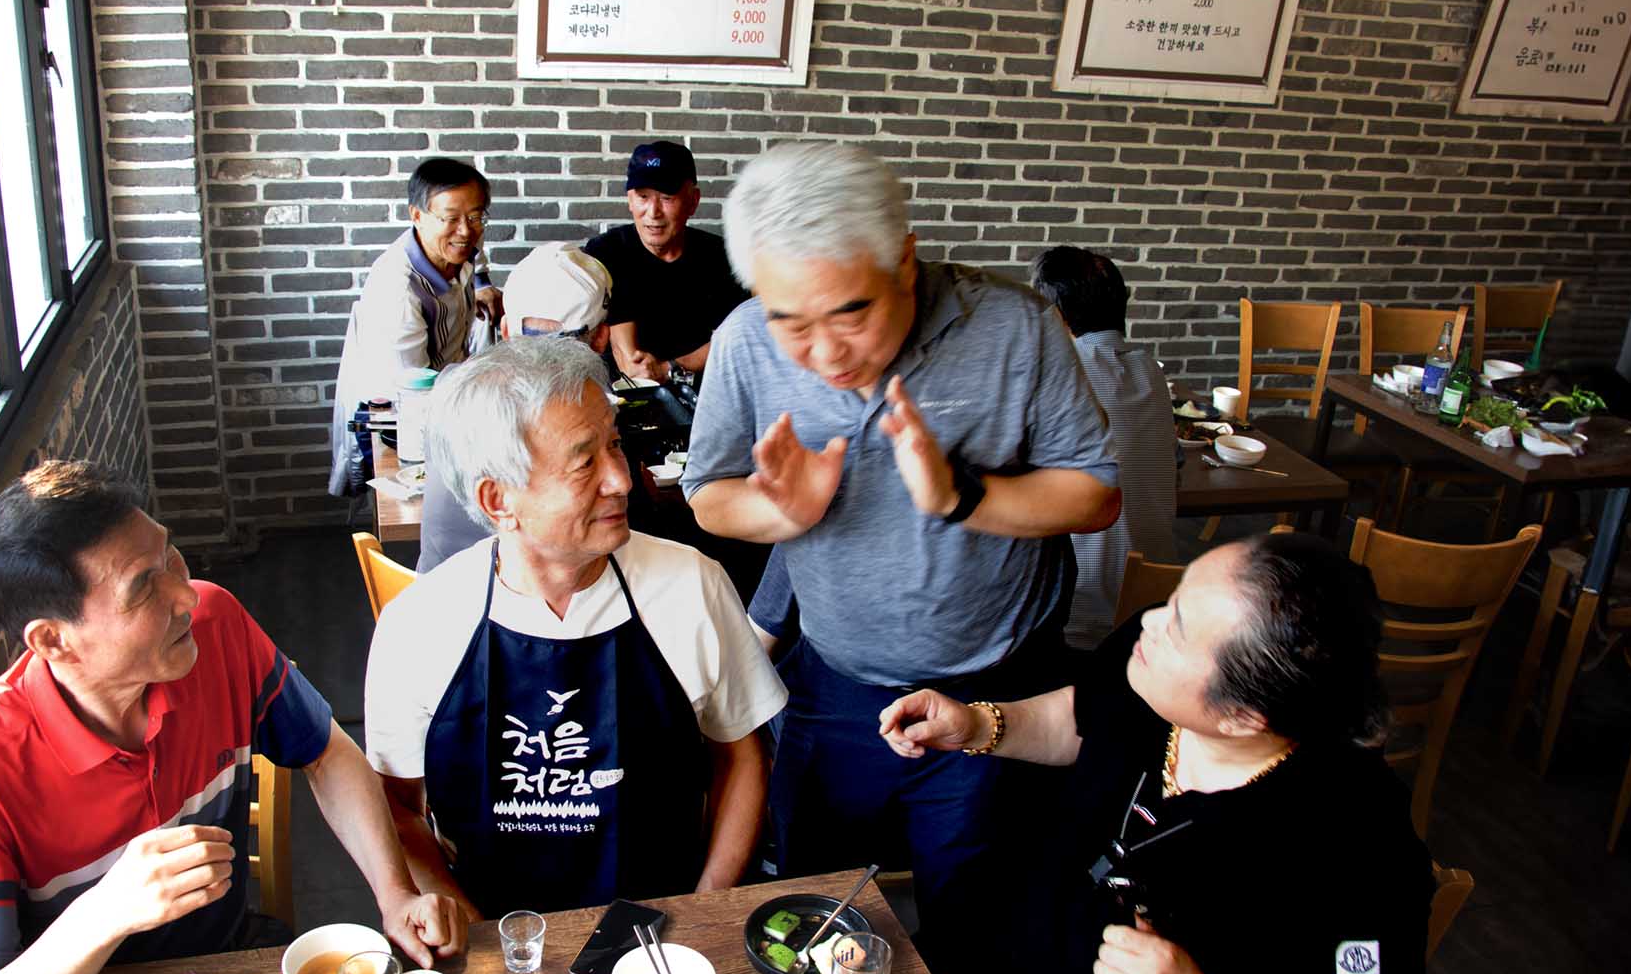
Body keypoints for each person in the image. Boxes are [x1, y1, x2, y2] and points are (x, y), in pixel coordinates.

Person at [879, 534, 1434, 974]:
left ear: (1242, 716)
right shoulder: (1148, 669)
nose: (1148, 621)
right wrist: (981, 726)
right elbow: (1082, 717)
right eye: (1173, 599)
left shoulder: (1353, 834)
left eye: (1178, 628)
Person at [0, 461, 466, 974]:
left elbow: (327, 752)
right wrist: (106, 911)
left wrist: (394, 895)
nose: (186, 595)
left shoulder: (214, 627)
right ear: (51, 641)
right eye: (143, 588)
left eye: (170, 557)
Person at [681, 141, 1121, 918]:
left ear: (905, 262)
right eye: (792, 322)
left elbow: (1096, 495)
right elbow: (708, 495)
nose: (825, 352)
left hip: (994, 687)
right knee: (811, 911)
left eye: (852, 311)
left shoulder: (1015, 327)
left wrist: (959, 496)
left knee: (977, 925)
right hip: (833, 683)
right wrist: (785, 513)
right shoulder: (746, 338)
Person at [362, 335, 786, 919]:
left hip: (667, 921)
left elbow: (741, 755)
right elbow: (398, 808)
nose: (621, 479)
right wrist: (477, 935)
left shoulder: (691, 585)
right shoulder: (419, 625)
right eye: (585, 462)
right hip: (493, 929)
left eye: (615, 445)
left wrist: (703, 907)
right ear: (498, 499)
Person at [417, 241, 615, 572]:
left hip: (431, 588)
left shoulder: (449, 383)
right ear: (601, 339)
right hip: (509, 595)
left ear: (506, 330)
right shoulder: (582, 416)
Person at [1031, 245, 1178, 650]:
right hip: (1157, 598)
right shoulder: (1149, 370)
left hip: (1080, 611)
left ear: (1056, 317)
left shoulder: (1057, 375)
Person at [328, 157, 500, 496]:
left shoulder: (459, 246)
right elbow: (414, 395)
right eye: (450, 218)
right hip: (402, 420)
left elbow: (476, 257)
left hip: (446, 389)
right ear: (417, 216)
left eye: (476, 216)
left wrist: (482, 286)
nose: (466, 231)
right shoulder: (397, 291)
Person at [585, 141, 748, 383]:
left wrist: (669, 369)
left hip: (700, 389)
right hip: (621, 390)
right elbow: (629, 359)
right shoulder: (607, 252)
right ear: (630, 200)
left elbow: (737, 337)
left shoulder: (722, 256)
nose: (653, 212)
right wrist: (645, 372)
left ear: (693, 201)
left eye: (666, 197)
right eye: (643, 197)